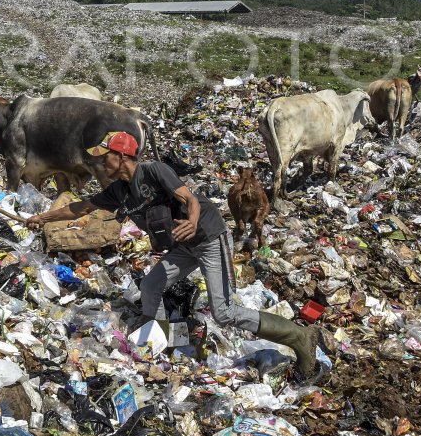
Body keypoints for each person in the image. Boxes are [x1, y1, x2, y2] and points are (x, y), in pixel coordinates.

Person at [26, 130, 329, 384]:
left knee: (224, 312)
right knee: (150, 286)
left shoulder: (153, 171)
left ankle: (300, 337)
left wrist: (193, 221)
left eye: (104, 156)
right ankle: (158, 341)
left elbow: (189, 198)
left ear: (122, 156)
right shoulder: (118, 191)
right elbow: (81, 208)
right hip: (183, 247)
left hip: (208, 236)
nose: (100, 162)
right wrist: (43, 217)